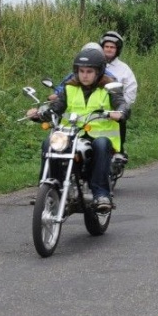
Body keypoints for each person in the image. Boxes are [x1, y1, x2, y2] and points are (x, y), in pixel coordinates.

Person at [27, 48, 126, 211]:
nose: (84, 75)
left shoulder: (110, 88)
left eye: (89, 71)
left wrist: (119, 112)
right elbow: (56, 108)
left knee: (101, 144)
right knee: (49, 143)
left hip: (100, 137)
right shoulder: (69, 88)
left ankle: (101, 194)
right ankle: (49, 188)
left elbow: (122, 104)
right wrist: (39, 114)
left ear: (99, 72)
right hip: (72, 134)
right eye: (81, 71)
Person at [100, 31, 138, 164]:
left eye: (112, 47)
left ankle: (119, 151)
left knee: (121, 119)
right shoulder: (95, 65)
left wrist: (122, 106)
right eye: (107, 47)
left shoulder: (124, 69)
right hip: (96, 107)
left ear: (117, 50)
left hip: (114, 108)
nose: (109, 50)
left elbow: (131, 89)